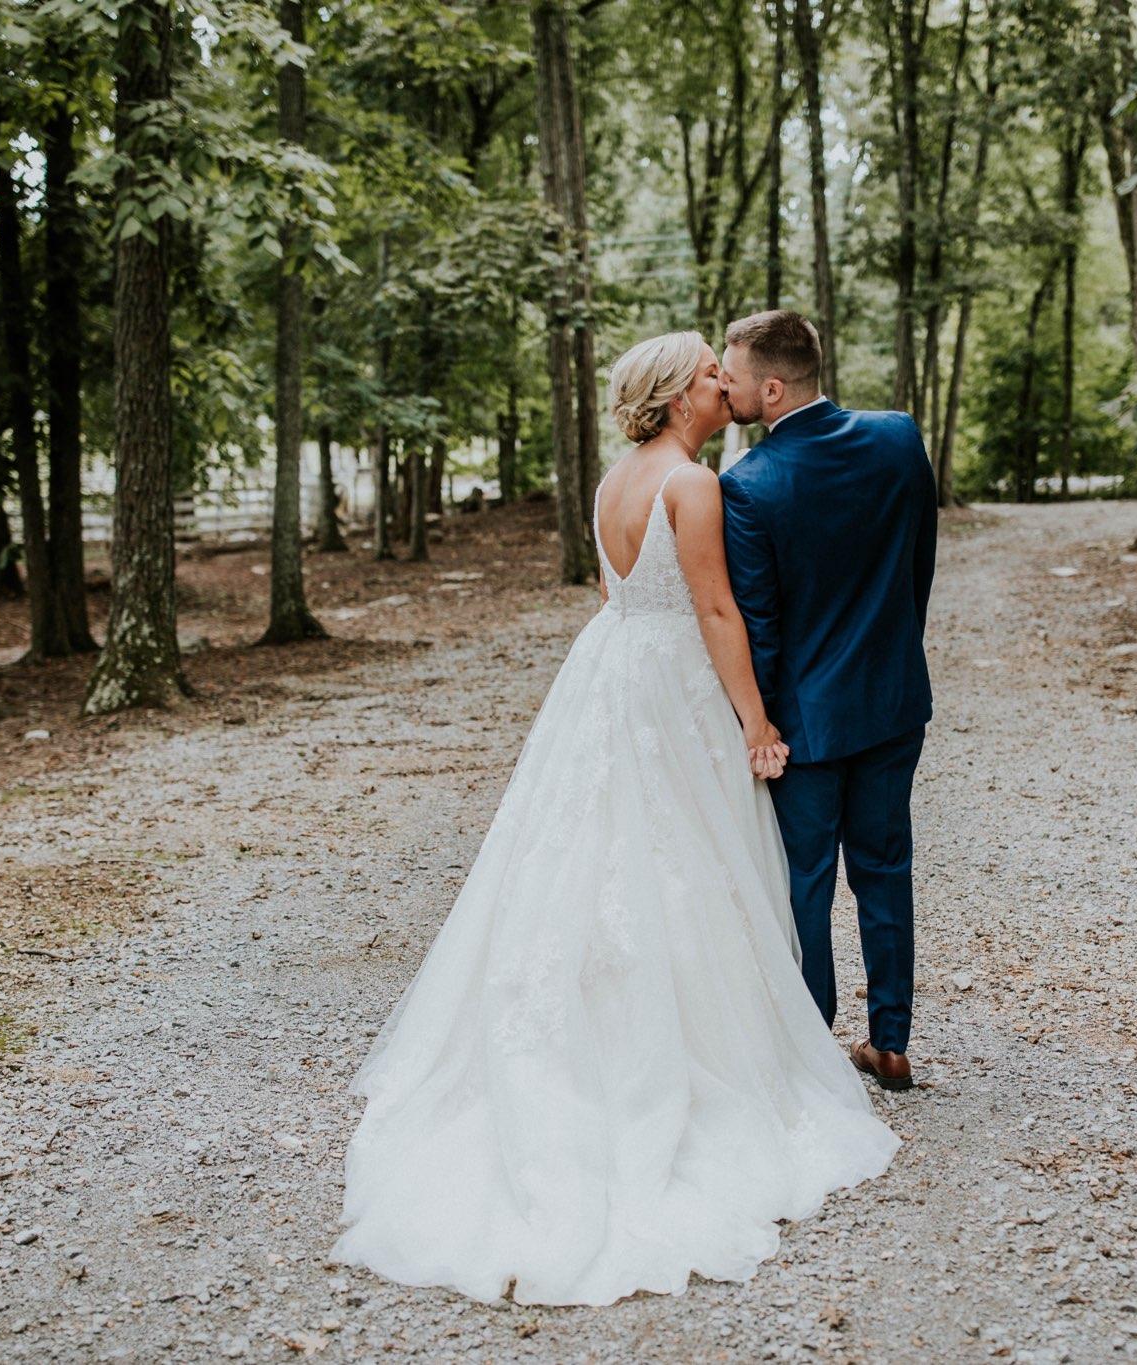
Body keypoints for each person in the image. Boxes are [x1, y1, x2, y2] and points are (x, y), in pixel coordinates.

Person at [332, 330, 898, 1307]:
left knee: (593, 848)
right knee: (685, 853)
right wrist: (757, 721)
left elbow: (614, 591)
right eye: (710, 379)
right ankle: (687, 1051)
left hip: (609, 673)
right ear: (681, 397)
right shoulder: (692, 485)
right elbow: (716, 613)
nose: (724, 388)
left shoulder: (610, 484)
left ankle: (593, 1020)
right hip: (672, 680)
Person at [717, 309, 938, 1093]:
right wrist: (893, 655)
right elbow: (919, 567)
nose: (722, 386)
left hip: (806, 723)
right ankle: (893, 1041)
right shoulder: (897, 437)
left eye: (732, 377)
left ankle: (814, 1050)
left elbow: (761, 624)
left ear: (772, 388)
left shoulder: (745, 485)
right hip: (892, 699)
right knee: (885, 868)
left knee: (803, 879)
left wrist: (762, 720)